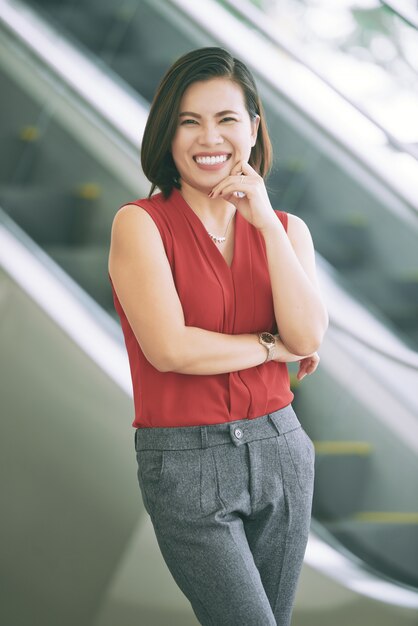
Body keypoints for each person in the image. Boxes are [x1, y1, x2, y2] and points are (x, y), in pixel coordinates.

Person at [108, 46, 328, 626]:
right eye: (189, 121)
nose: (210, 137)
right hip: (186, 463)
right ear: (168, 132)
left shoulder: (285, 229)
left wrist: (265, 223)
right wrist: (270, 346)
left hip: (281, 450)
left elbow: (306, 333)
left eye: (227, 119)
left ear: (253, 129)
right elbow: (171, 349)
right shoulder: (140, 223)